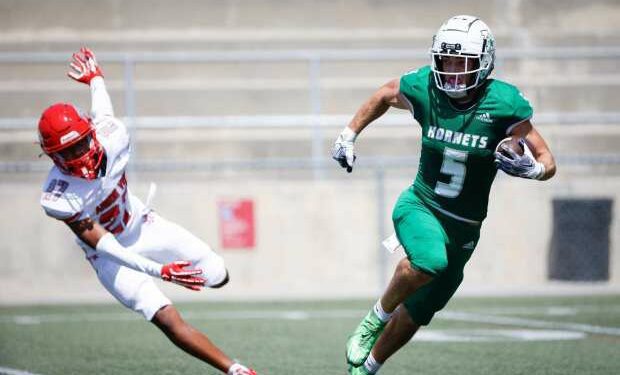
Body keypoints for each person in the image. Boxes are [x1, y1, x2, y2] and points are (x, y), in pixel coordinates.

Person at [331, 15, 556, 375]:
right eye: (446, 61)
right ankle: (373, 320)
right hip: (421, 206)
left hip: (465, 229)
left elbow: (547, 159)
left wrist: (534, 169)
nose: (451, 71)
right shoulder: (426, 87)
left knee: (420, 310)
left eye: (461, 63)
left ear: (483, 63)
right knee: (429, 260)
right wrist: (348, 134)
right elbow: (385, 93)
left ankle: (367, 368)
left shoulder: (503, 103)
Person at [38, 47, 257, 375]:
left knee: (217, 275)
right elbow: (104, 244)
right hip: (109, 256)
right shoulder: (59, 196)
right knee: (166, 317)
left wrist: (96, 79)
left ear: (91, 134)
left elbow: (104, 112)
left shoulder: (113, 136)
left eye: (81, 143)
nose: (80, 155)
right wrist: (159, 271)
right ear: (53, 156)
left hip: (142, 225)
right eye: (67, 151)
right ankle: (235, 371)